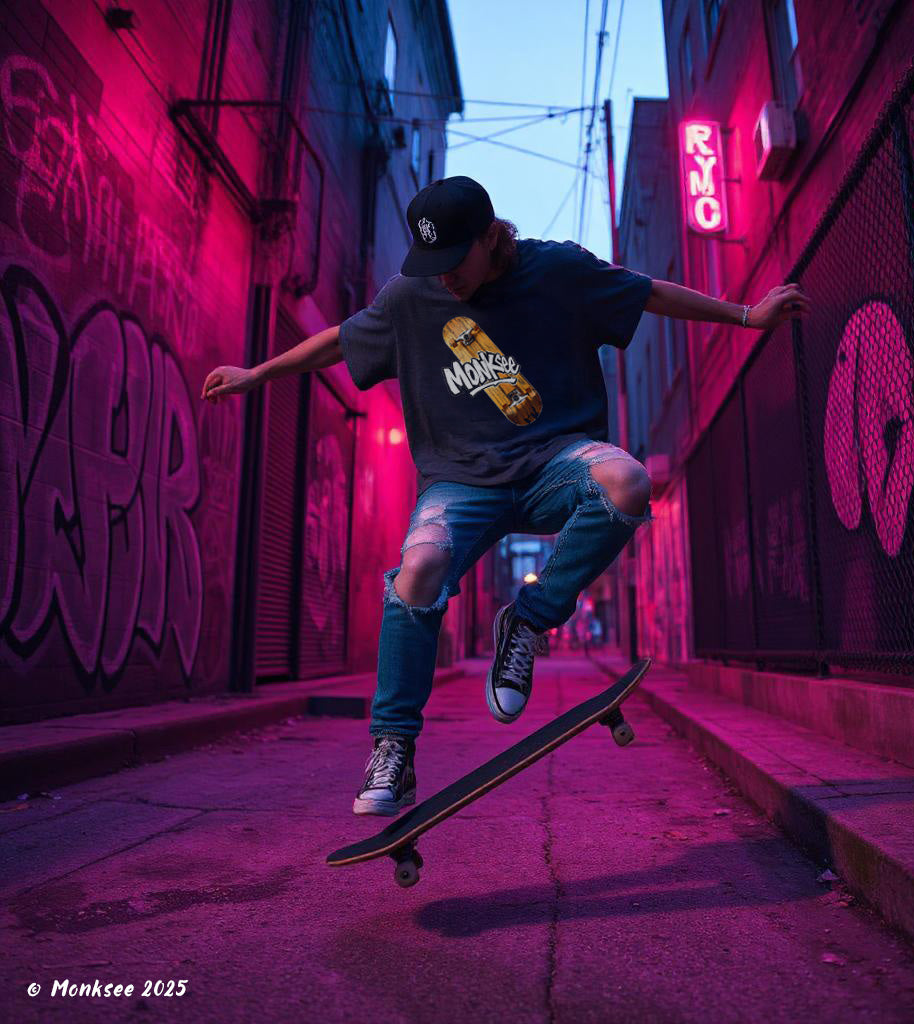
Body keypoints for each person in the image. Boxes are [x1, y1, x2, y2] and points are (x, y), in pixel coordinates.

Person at [201, 176, 809, 816]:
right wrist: (256, 374)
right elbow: (340, 339)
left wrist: (745, 314)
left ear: (493, 238)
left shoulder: (558, 270)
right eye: (430, 266)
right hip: (461, 480)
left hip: (556, 461)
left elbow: (647, 291)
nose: (444, 281)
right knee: (418, 571)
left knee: (628, 481)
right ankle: (394, 750)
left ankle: (528, 620)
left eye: (455, 263)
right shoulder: (412, 296)